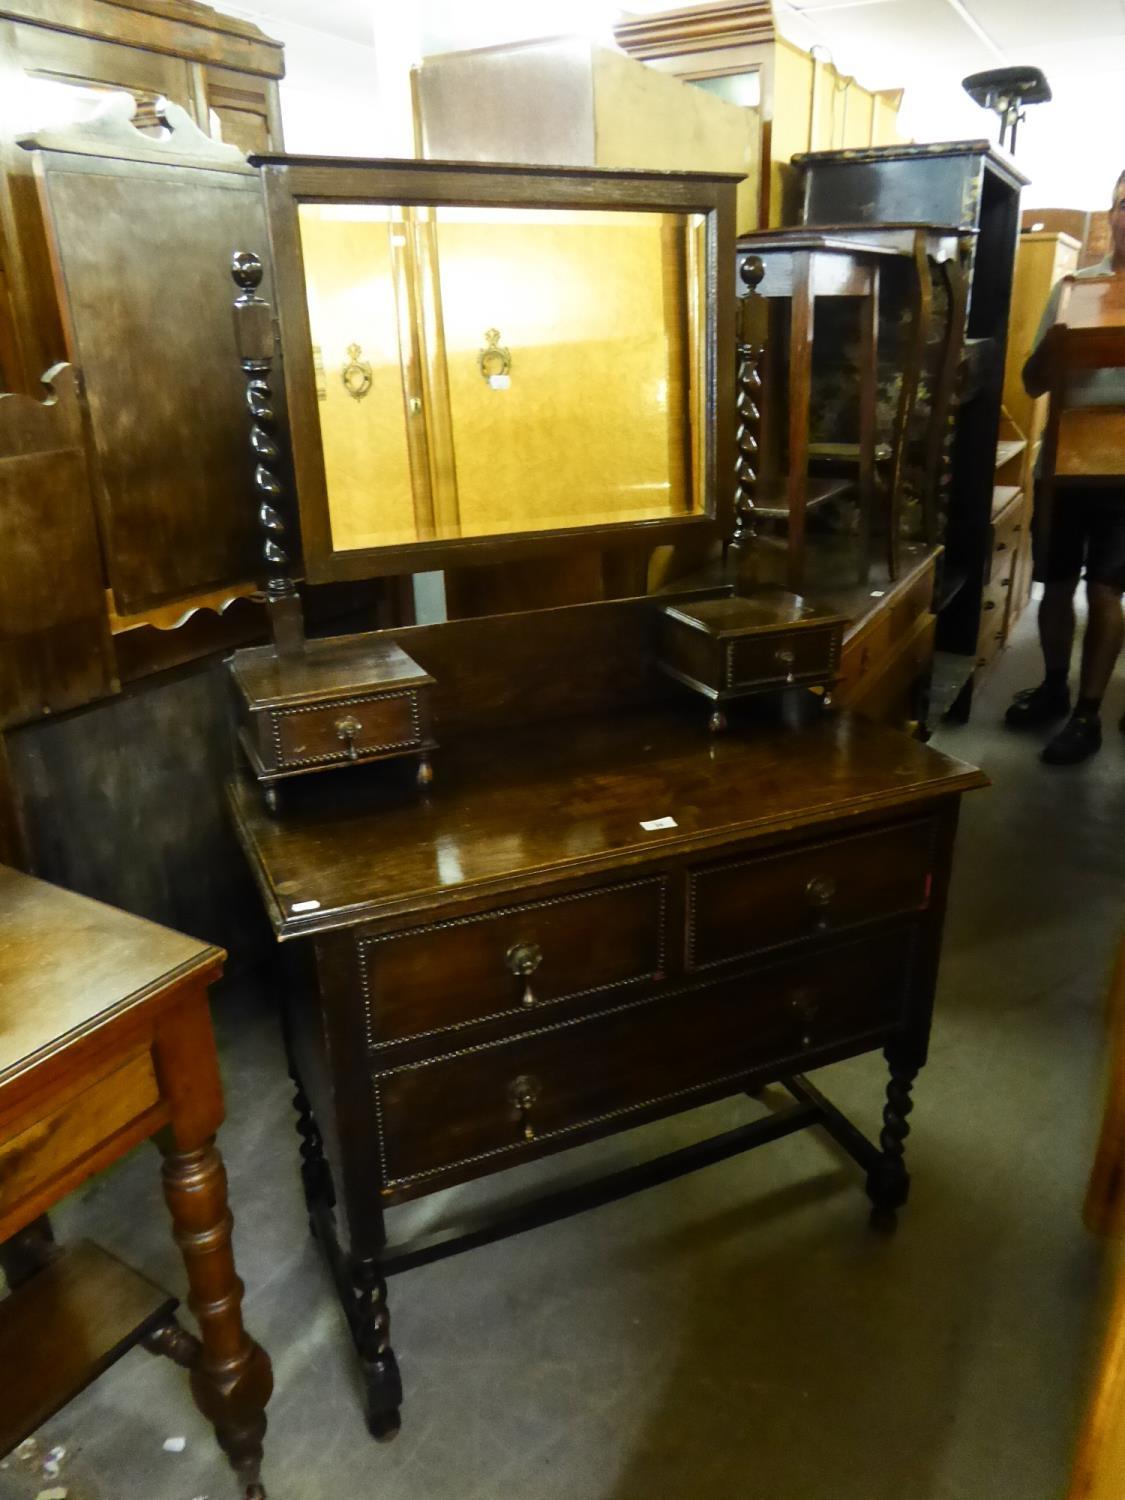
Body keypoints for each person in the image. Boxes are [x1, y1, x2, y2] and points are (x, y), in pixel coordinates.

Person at [1005, 168, 1125, 764]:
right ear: (1111, 215)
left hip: (1124, 474)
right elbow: (1030, 382)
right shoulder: (1074, 287)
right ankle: (1054, 687)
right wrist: (1055, 349)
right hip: (1063, 460)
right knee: (1053, 581)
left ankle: (1088, 714)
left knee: (1106, 588)